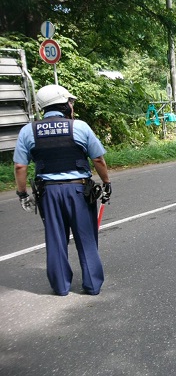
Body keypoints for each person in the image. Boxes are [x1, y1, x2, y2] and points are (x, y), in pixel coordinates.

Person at [13, 84, 111, 296]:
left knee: (55, 238)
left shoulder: (28, 131)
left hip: (48, 193)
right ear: (65, 105)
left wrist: (22, 194)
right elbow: (97, 159)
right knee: (86, 237)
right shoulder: (80, 127)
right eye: (70, 102)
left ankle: (60, 286)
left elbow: (20, 166)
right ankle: (92, 285)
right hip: (79, 192)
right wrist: (106, 182)